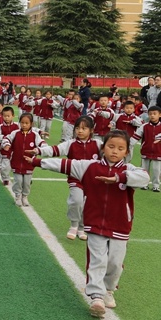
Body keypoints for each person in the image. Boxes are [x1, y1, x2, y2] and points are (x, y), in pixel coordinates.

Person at [26, 130, 150, 318]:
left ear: (126, 152)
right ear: (103, 148)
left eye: (120, 148)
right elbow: (65, 164)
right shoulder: (89, 167)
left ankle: (108, 290)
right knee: (98, 259)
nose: (115, 151)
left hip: (120, 225)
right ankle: (96, 297)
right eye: (111, 146)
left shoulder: (130, 170)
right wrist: (37, 161)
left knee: (115, 263)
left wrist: (118, 178)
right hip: (94, 223)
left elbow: (145, 178)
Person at [26, 116, 102, 241]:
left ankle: (82, 227)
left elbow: (108, 154)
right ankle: (74, 225)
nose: (80, 131)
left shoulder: (98, 144)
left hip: (92, 182)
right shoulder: (70, 143)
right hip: (75, 179)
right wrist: (38, 151)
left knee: (88, 204)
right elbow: (55, 150)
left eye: (84, 128)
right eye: (77, 128)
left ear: (92, 130)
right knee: (77, 201)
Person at [1, 113, 47, 206]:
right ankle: (18, 196)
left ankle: (25, 196)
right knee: (18, 181)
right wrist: (6, 144)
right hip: (16, 162)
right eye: (22, 123)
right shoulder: (15, 133)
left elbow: (42, 143)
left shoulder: (34, 135)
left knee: (26, 183)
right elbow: (7, 138)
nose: (24, 125)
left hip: (29, 164)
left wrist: (42, 149)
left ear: (31, 124)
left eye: (26, 123)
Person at [130, 105, 161, 192]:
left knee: (157, 170)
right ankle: (144, 184)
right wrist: (129, 146)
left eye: (155, 114)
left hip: (158, 152)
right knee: (144, 170)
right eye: (150, 114)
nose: (152, 116)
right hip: (145, 151)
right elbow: (136, 136)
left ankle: (156, 185)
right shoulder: (144, 126)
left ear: (160, 115)